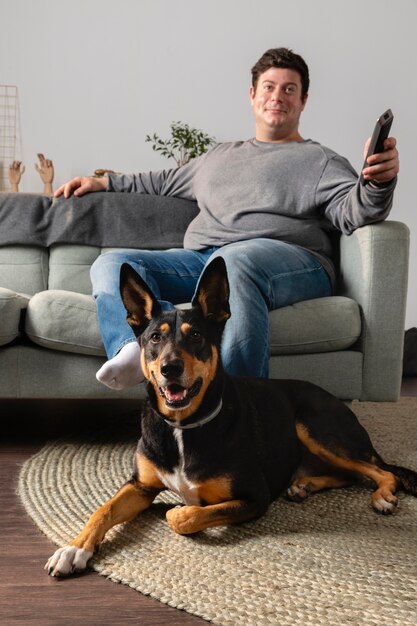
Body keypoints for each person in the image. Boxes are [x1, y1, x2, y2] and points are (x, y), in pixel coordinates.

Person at [54, 47, 400, 391]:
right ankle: (133, 350)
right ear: (253, 95)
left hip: (288, 259)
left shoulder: (320, 160)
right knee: (113, 263)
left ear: (303, 100)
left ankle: (241, 404)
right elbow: (159, 180)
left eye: (289, 89)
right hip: (204, 260)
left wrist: (378, 182)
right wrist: (105, 181)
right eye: (269, 86)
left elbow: (355, 210)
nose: (277, 96)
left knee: (235, 260)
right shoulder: (218, 157)